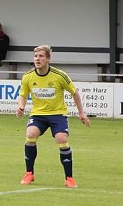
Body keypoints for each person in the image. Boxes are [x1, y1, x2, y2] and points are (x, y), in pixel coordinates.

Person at [16, 45, 90, 188]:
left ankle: (69, 178)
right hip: (38, 115)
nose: (37, 59)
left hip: (57, 114)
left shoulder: (59, 75)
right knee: (30, 134)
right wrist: (21, 106)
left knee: (61, 139)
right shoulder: (27, 76)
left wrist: (81, 113)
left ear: (48, 59)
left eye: (41, 56)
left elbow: (74, 93)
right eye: (36, 56)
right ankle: (29, 173)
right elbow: (23, 94)